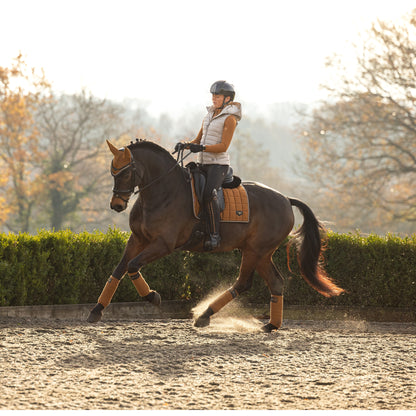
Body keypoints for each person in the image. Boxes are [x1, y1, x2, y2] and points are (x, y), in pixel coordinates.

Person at [175, 80, 242, 250]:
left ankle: (214, 235)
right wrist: (186, 144)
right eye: (213, 95)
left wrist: (202, 147)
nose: (214, 98)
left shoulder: (230, 119)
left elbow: (223, 146)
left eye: (217, 96)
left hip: (218, 165)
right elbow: (197, 140)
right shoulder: (209, 116)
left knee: (208, 194)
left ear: (227, 99)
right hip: (202, 163)